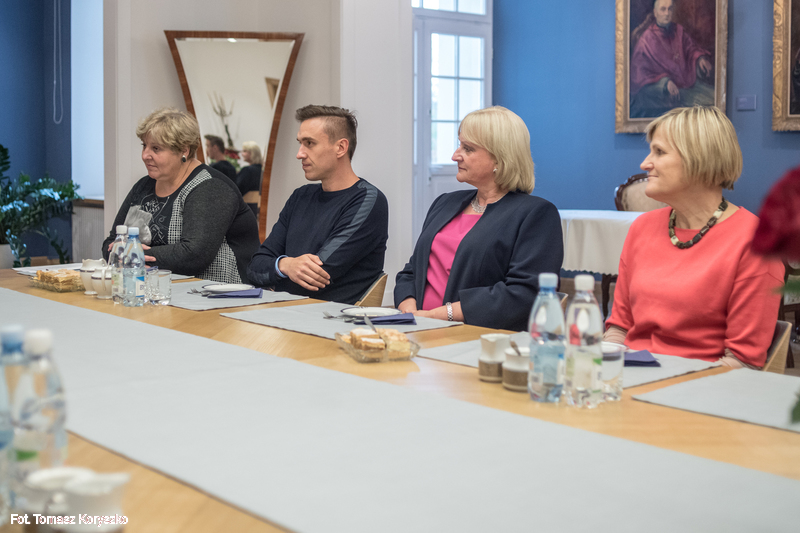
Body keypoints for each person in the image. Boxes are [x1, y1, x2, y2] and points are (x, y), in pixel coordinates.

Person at [605, 106, 784, 368]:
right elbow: (619, 328)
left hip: (703, 384)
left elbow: (742, 362)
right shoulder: (642, 228)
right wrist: (603, 367)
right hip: (630, 375)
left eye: (659, 152)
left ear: (698, 158)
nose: (645, 164)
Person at [394, 106, 563, 332]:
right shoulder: (444, 203)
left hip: (479, 337)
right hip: (418, 328)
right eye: (459, 145)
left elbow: (524, 294)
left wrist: (440, 315)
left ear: (499, 159)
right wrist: (410, 311)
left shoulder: (536, 214)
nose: (455, 155)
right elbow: (412, 271)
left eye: (468, 148)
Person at [247, 105, 388, 304]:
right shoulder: (300, 196)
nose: (300, 154)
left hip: (333, 317)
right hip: (285, 310)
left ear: (341, 148)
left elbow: (316, 275)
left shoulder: (368, 200)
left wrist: (275, 274)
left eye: (310, 143)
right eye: (300, 143)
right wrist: (287, 265)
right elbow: (255, 267)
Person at [102, 108, 260, 283]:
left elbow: (193, 255)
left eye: (156, 148)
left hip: (221, 290)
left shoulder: (211, 187)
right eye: (144, 146)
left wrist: (131, 254)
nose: (145, 155)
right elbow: (111, 242)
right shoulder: (143, 186)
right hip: (156, 287)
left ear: (184, 150)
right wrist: (125, 253)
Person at [630, 0, 714, 118]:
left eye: (670, 9)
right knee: (708, 107)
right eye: (663, 9)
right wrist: (664, 82)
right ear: (655, 12)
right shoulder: (645, 40)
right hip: (666, 93)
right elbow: (639, 75)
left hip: (687, 82)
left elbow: (690, 48)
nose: (667, 13)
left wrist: (700, 58)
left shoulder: (678, 30)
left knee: (714, 98)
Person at [236, 141, 263, 216]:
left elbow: (237, 189)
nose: (242, 154)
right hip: (257, 208)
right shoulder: (262, 170)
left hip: (246, 208)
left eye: (245, 151)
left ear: (252, 153)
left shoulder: (247, 170)